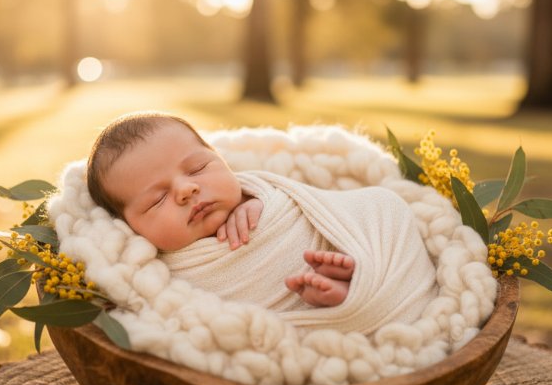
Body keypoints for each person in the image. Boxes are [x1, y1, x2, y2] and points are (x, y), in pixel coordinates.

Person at [86, 112, 356, 308]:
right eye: (157, 200)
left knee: (345, 252)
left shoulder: (264, 197)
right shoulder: (154, 276)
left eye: (197, 169)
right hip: (285, 325)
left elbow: (310, 202)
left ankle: (355, 279)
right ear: (129, 227)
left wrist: (259, 202)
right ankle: (335, 299)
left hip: (326, 250)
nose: (186, 189)